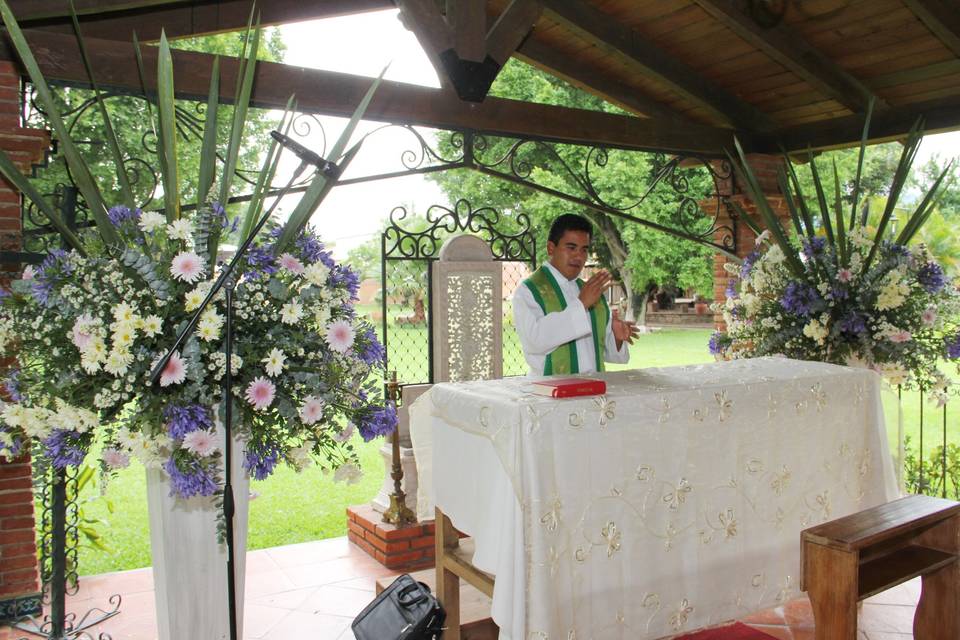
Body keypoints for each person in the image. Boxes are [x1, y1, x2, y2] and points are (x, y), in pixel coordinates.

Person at [513, 213, 639, 376]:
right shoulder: (529, 291)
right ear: (551, 248)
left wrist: (616, 336)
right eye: (571, 248)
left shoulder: (590, 290)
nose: (578, 256)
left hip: (593, 388)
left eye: (584, 250)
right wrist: (581, 305)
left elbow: (602, 352)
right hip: (550, 392)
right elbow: (534, 342)